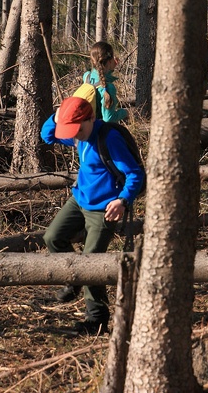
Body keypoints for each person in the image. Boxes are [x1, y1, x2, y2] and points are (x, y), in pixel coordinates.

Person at [41, 96, 144, 335]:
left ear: (91, 119)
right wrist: (57, 116)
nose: (74, 134)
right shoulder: (78, 135)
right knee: (52, 237)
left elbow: (135, 175)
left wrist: (122, 200)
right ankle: (73, 278)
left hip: (104, 209)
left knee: (91, 262)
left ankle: (96, 318)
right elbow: (47, 136)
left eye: (77, 129)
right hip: (79, 199)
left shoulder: (109, 138)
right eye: (71, 130)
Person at [84, 42, 128, 123]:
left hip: (86, 126)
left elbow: (100, 74)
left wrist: (111, 67)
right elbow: (108, 118)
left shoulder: (87, 76)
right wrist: (125, 113)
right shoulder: (108, 88)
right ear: (109, 61)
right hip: (97, 130)